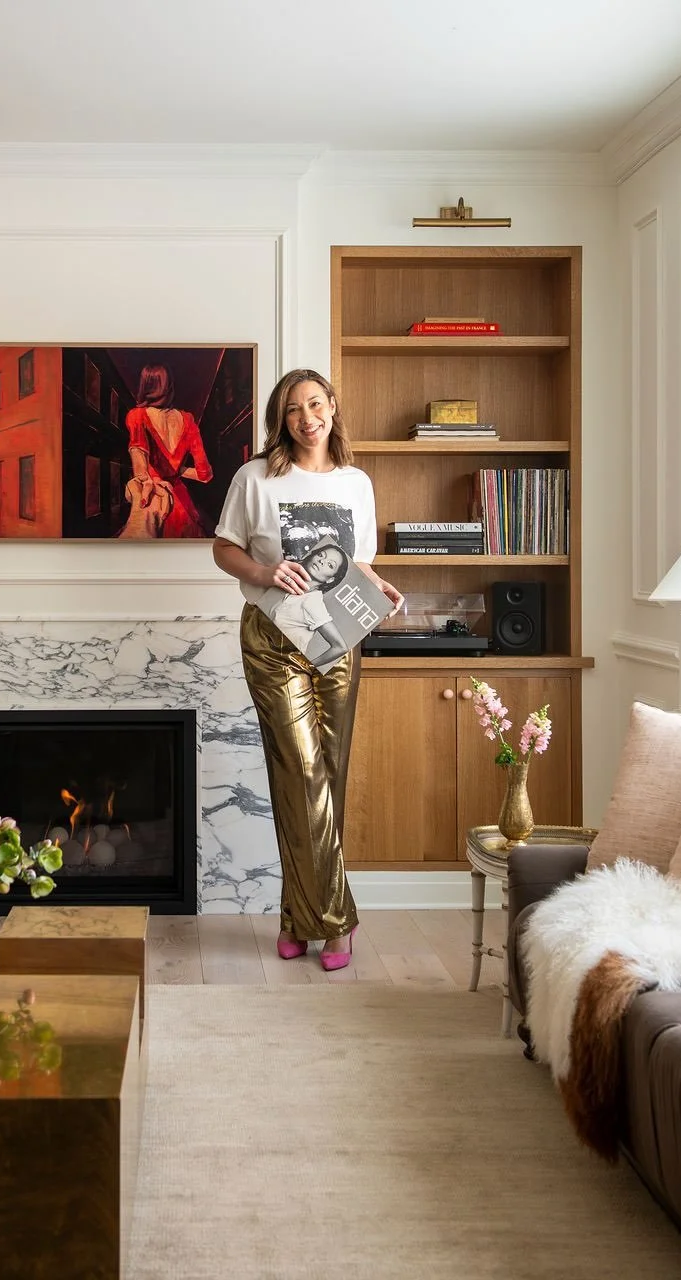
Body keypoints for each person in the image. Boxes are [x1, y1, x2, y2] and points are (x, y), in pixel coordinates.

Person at [213, 368, 403, 970]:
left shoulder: (355, 482)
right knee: (298, 770)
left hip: (338, 637)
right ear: (282, 418)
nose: (306, 417)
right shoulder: (255, 478)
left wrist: (380, 588)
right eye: (293, 409)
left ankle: (297, 916)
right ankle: (337, 922)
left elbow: (357, 564)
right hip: (273, 637)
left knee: (330, 773)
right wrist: (264, 572)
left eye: (315, 404)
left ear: (332, 407)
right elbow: (223, 547)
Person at [120, 363, 214, 539]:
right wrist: (177, 470)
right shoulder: (188, 419)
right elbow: (205, 475)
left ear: (144, 387)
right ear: (170, 387)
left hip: (157, 501)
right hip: (183, 508)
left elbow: (140, 468)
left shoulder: (137, 416)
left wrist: (151, 478)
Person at [265, 541, 351, 667]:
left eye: (330, 565)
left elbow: (340, 647)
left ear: (331, 579)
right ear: (312, 555)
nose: (321, 561)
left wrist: (306, 667)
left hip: (282, 669)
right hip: (263, 658)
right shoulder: (288, 583)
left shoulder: (312, 602)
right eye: (321, 555)